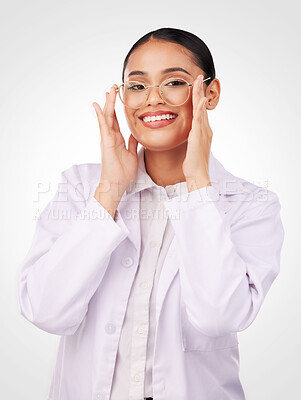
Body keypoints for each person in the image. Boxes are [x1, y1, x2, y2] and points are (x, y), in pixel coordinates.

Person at [17, 27, 285, 400]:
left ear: (210, 92)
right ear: (122, 97)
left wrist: (198, 187)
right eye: (138, 86)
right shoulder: (81, 187)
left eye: (174, 82)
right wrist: (108, 194)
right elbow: (46, 310)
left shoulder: (251, 205)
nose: (153, 100)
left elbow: (218, 316)